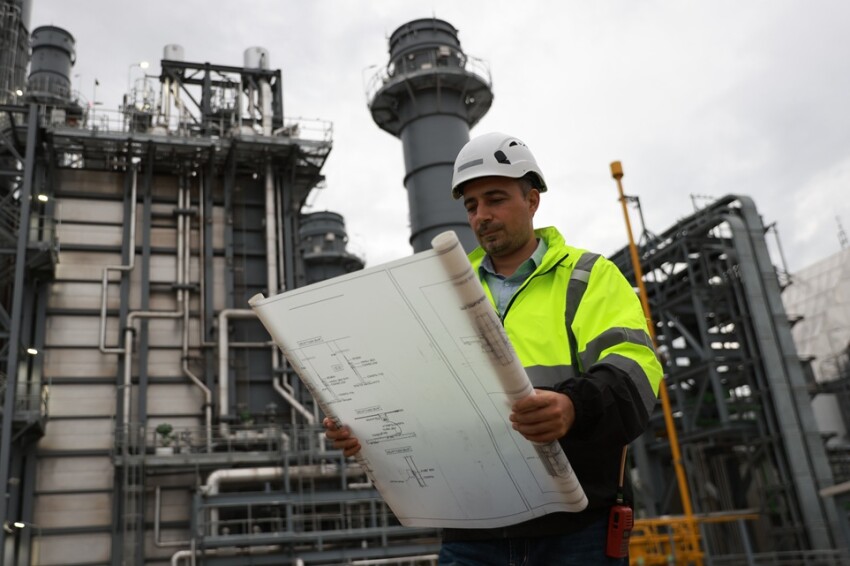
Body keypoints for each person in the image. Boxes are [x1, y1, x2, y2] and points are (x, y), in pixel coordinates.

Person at [324, 132, 663, 565]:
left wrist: (573, 407)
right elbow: (416, 398)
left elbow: (634, 369)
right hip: (472, 531)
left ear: (532, 200)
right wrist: (366, 430)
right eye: (471, 206)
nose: (481, 215)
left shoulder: (588, 276)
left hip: (576, 529)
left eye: (495, 199)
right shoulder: (440, 290)